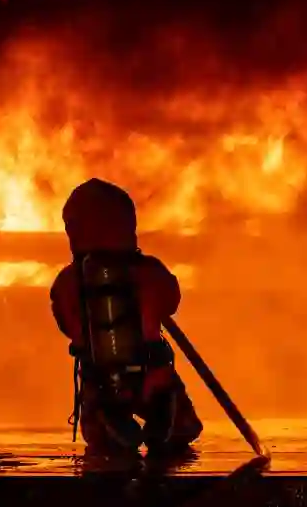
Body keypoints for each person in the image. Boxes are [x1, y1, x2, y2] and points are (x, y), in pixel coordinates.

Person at [49, 178, 202, 457]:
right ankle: (163, 416)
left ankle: (111, 426)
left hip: (100, 381)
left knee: (101, 442)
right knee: (185, 429)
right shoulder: (149, 271)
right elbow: (171, 301)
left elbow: (65, 322)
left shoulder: (68, 282)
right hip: (154, 373)